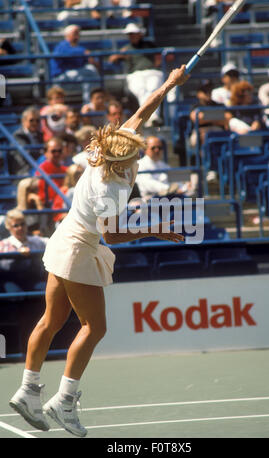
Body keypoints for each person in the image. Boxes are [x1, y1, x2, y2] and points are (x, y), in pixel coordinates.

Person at [9, 64, 189, 437]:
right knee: (95, 327)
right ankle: (64, 400)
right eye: (134, 155)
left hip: (64, 238)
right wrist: (157, 230)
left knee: (51, 321)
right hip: (78, 247)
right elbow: (115, 237)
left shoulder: (107, 149)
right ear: (121, 161)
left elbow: (144, 111)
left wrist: (170, 84)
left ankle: (27, 390)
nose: (139, 155)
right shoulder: (113, 190)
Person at [108, 23, 173, 127]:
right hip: (135, 74)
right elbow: (111, 59)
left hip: (152, 72)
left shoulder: (149, 44)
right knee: (141, 90)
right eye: (130, 34)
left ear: (140, 34)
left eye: (134, 33)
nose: (132, 36)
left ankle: (149, 118)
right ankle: (151, 118)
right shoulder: (126, 48)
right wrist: (121, 55)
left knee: (153, 89)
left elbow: (167, 56)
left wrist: (157, 62)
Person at [49, 25, 101, 104]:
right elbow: (68, 53)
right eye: (75, 33)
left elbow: (87, 59)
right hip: (60, 78)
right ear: (67, 35)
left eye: (78, 33)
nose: (77, 36)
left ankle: (89, 104)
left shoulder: (77, 47)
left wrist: (92, 60)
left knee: (88, 80)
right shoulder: (62, 45)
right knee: (91, 71)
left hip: (73, 78)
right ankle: (99, 94)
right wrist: (84, 53)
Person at [0, 209, 48, 292]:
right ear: (8, 227)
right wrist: (16, 254)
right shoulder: (3, 245)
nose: (20, 228)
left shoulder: (37, 241)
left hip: (36, 282)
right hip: (11, 283)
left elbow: (52, 242)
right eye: (16, 226)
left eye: (23, 224)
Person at [189, 79, 228, 148]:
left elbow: (227, 118)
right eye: (205, 91)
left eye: (209, 90)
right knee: (205, 136)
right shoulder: (195, 107)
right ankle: (203, 158)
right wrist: (218, 118)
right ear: (198, 94)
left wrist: (206, 118)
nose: (208, 93)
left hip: (217, 131)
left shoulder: (218, 105)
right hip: (200, 132)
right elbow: (197, 119)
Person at [35, 137, 68, 206]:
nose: (57, 154)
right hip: (48, 206)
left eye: (59, 151)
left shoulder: (65, 169)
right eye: (53, 151)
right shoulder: (42, 169)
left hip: (62, 203)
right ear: (46, 153)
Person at [12, 107, 44, 176]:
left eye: (37, 120)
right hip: (23, 171)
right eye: (31, 120)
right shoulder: (17, 136)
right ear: (23, 121)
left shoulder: (40, 135)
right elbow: (26, 154)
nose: (35, 123)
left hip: (38, 169)